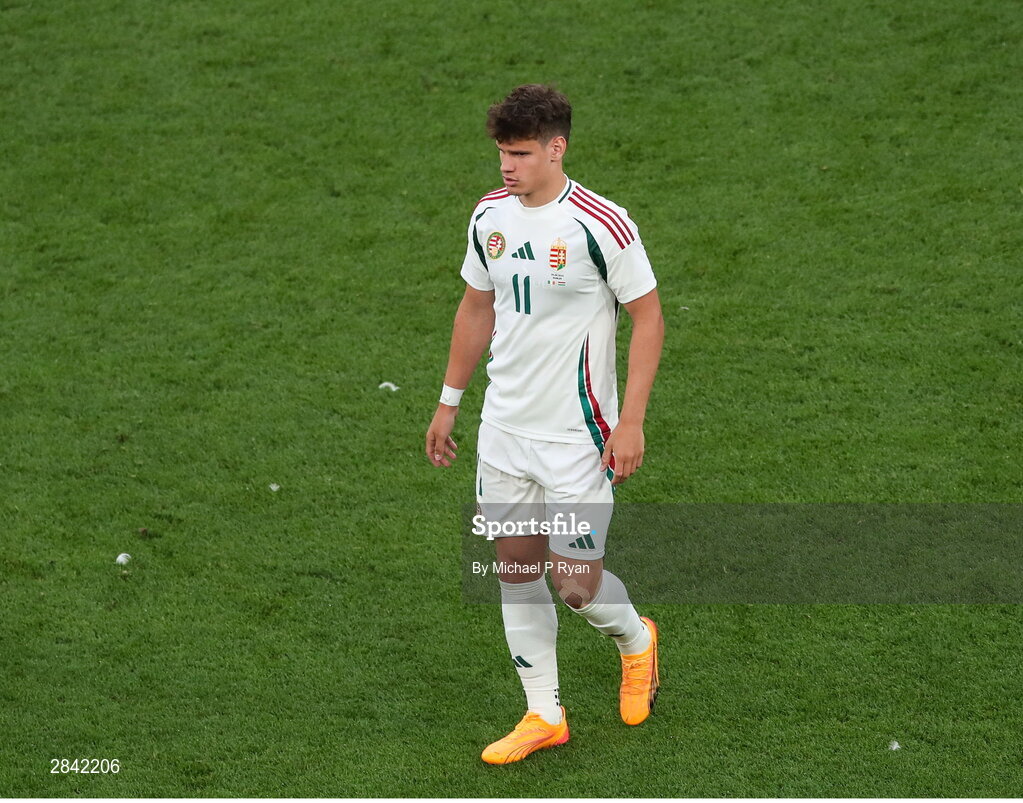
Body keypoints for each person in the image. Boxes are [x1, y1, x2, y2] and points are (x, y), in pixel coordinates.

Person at [425, 84, 665, 765]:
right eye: (502, 152)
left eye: (522, 153)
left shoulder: (601, 223)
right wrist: (449, 400)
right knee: (514, 568)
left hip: (576, 438)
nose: (507, 166)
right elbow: (476, 306)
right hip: (504, 429)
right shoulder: (488, 215)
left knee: (576, 584)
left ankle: (635, 640)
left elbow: (647, 317)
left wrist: (632, 422)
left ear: (556, 148)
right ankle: (542, 712)